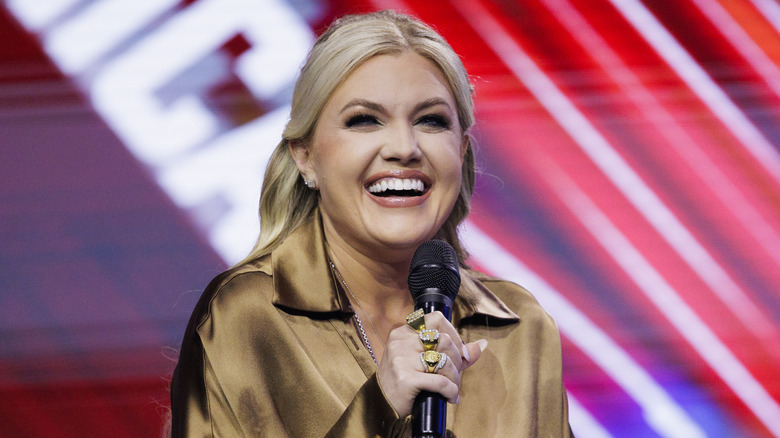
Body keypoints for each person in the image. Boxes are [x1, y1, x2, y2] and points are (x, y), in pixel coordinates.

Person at [170, 9, 572, 437]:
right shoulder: (247, 316)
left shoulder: (521, 327)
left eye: (431, 121)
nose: (404, 147)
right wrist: (380, 406)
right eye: (364, 120)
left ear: (461, 151)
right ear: (305, 156)